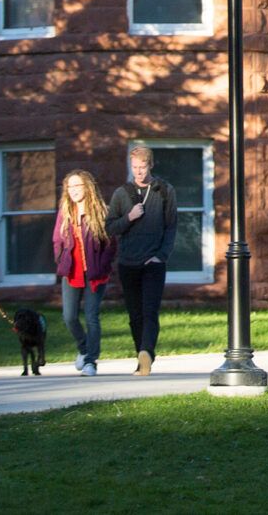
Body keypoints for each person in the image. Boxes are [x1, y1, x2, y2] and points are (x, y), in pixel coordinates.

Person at [107, 142, 178, 375]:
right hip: (128, 263)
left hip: (153, 263)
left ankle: (146, 351)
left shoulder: (165, 191)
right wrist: (129, 217)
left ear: (151, 165)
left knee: (150, 311)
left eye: (143, 166)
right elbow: (110, 228)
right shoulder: (121, 194)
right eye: (134, 166)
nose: (138, 171)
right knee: (135, 315)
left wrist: (161, 256)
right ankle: (142, 358)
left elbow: (171, 228)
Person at [51, 169, 115, 375]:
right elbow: (57, 241)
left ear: (87, 187)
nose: (74, 190)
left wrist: (103, 266)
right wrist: (60, 260)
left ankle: (90, 361)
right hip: (72, 272)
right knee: (69, 316)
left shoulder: (101, 211)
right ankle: (84, 348)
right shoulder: (65, 212)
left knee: (91, 316)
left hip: (96, 273)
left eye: (78, 186)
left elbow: (110, 244)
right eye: (70, 187)